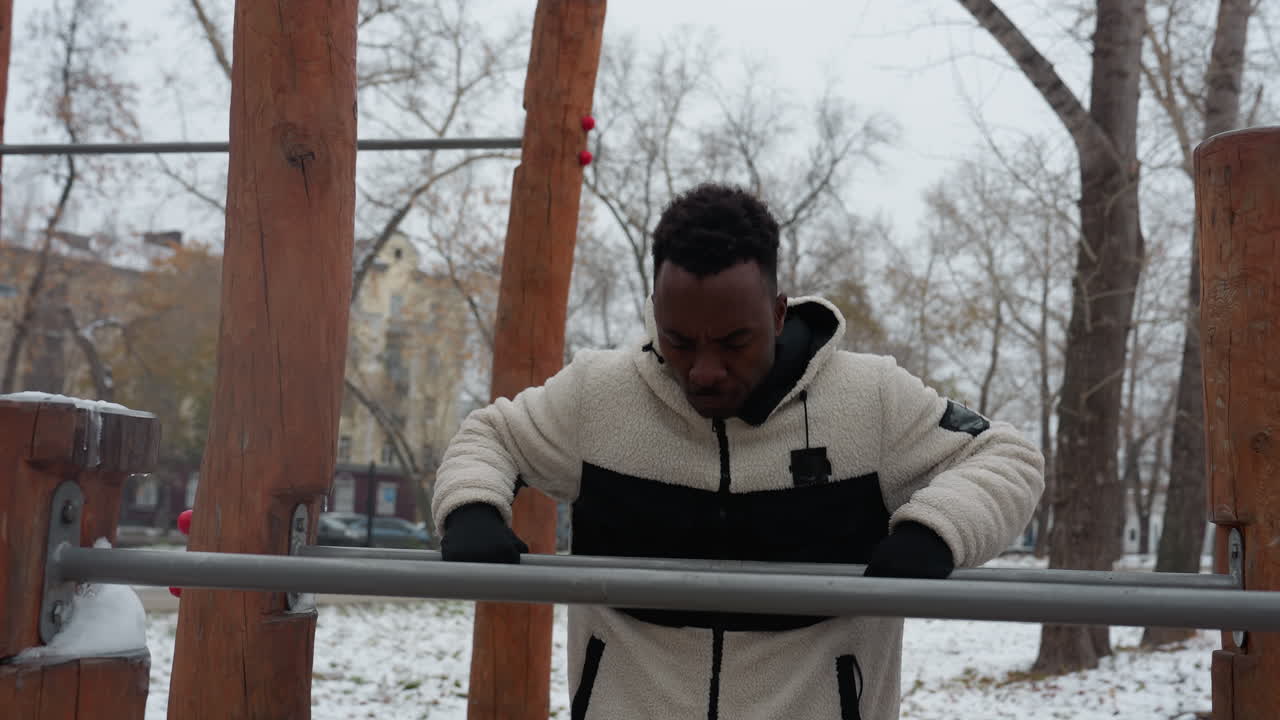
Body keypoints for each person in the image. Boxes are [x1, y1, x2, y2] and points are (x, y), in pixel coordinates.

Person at [432, 183, 1045, 719]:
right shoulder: (600, 394)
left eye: (733, 342)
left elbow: (1007, 457)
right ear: (654, 314)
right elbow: (492, 435)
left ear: (778, 314)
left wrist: (935, 532)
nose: (704, 371)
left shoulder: (870, 400)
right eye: (678, 341)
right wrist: (471, 507)